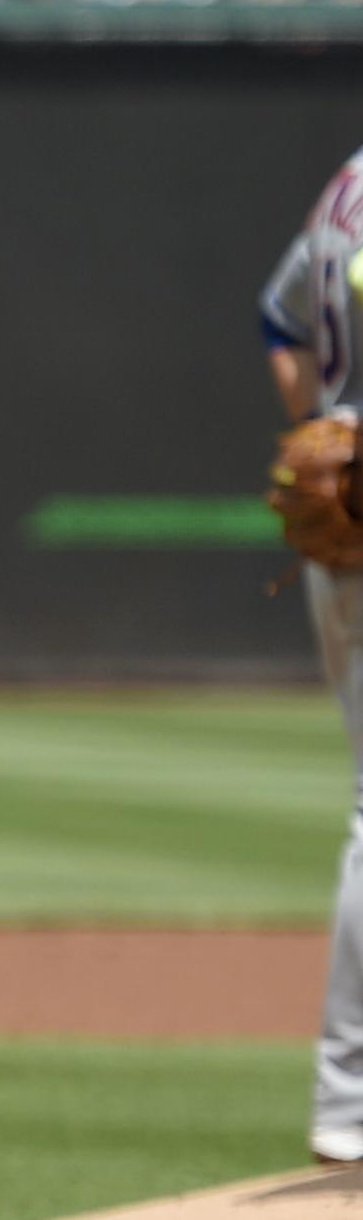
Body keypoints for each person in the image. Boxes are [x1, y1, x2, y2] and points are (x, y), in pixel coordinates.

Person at [261, 146, 363, 1167]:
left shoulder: (342, 184)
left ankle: (348, 1098)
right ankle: (351, 1099)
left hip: (346, 531)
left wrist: (319, 428)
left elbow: (279, 323)